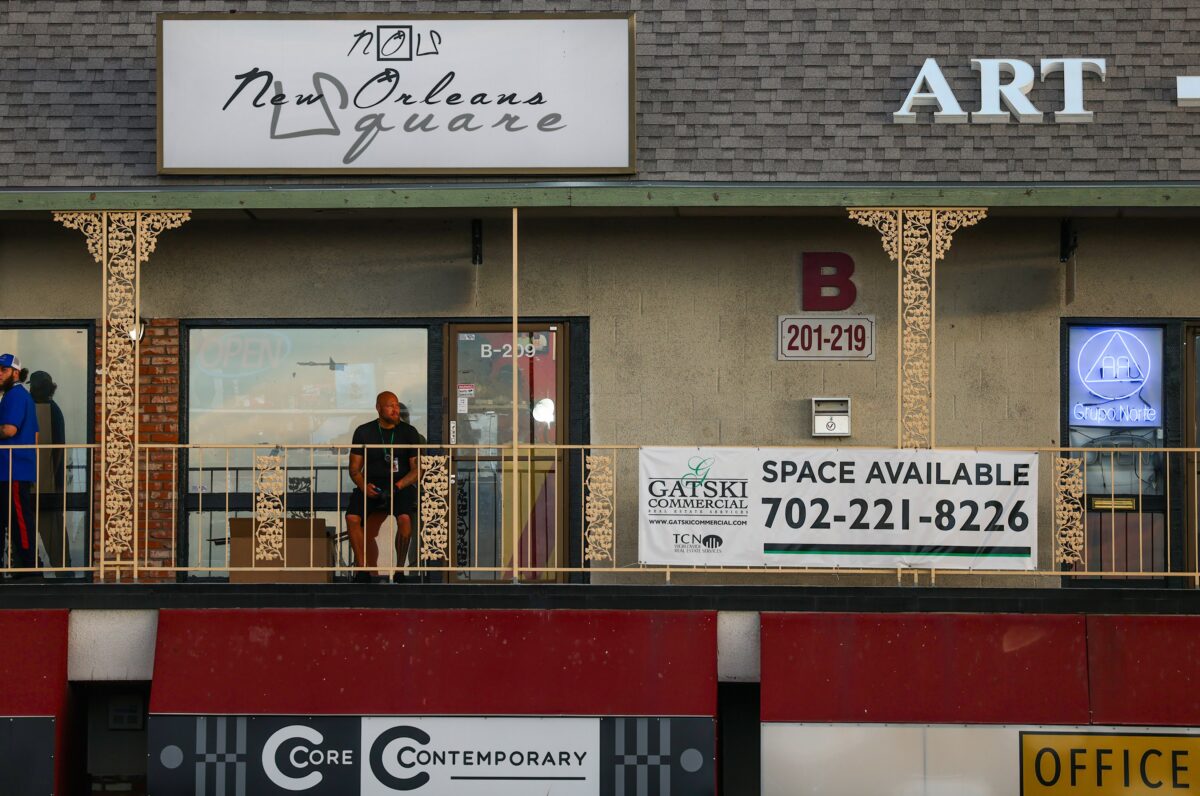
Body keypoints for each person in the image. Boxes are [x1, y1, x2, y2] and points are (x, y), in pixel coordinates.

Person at [346, 391, 421, 583]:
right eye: (390, 406)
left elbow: (416, 470)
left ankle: (399, 571)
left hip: (400, 486)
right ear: (378, 408)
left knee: (405, 520)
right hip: (370, 485)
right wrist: (364, 486)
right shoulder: (364, 431)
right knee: (352, 517)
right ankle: (362, 570)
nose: (396, 410)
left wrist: (398, 485)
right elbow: (354, 469)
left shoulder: (409, 432)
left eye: (397, 406)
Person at [0, 354, 40, 578]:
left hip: (13, 468)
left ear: (16, 372)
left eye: (4, 370)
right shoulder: (15, 395)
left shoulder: (15, 395)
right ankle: (25, 565)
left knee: (18, 519)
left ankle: (29, 566)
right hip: (10, 469)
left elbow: (9, 430)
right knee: (12, 519)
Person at [28, 372, 67, 569]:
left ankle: (62, 572)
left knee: (50, 534)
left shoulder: (47, 410)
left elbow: (58, 450)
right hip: (43, 484)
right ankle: (63, 572)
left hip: (43, 486)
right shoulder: (53, 410)